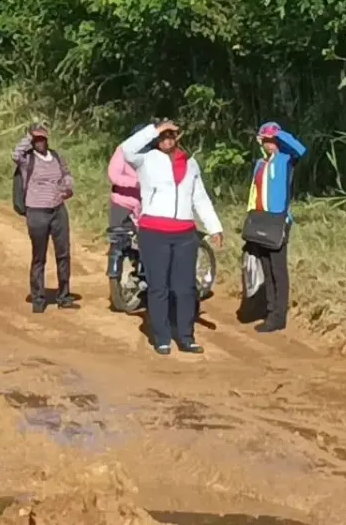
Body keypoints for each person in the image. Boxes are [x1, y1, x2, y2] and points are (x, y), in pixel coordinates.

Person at [119, 120, 223, 355]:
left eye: (171, 135)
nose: (167, 139)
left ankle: (186, 337)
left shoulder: (191, 163)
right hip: (153, 232)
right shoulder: (145, 159)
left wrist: (214, 227)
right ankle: (162, 337)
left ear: (178, 137)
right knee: (159, 287)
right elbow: (126, 149)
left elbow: (200, 198)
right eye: (163, 136)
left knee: (185, 288)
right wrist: (153, 128)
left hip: (185, 232)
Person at [245, 121, 307, 333]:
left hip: (278, 221)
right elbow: (254, 192)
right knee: (266, 268)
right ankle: (271, 311)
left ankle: (279, 315)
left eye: (273, 141)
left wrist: (280, 134)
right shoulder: (260, 163)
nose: (270, 144)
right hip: (260, 220)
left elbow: (301, 149)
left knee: (278, 268)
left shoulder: (285, 159)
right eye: (266, 140)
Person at [12, 123, 76, 314]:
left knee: (63, 254)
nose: (40, 142)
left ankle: (64, 296)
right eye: (36, 139)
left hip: (58, 210)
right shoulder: (27, 159)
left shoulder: (56, 156)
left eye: (42, 138)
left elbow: (67, 174)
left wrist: (67, 188)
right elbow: (15, 154)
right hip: (37, 212)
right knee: (39, 257)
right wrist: (28, 136)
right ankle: (38, 299)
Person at [106, 123, 146, 307]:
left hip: (144, 206)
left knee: (145, 244)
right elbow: (113, 175)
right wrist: (137, 182)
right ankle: (116, 281)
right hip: (122, 204)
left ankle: (142, 278)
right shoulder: (121, 151)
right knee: (118, 242)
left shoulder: (151, 155)